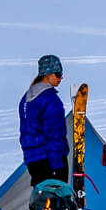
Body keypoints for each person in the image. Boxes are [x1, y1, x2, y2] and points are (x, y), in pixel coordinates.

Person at [19, 55, 67, 186]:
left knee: (41, 199)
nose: (61, 77)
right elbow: (53, 134)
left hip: (32, 159)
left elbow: (27, 131)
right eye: (58, 74)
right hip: (50, 160)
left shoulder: (26, 99)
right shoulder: (50, 99)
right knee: (57, 200)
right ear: (47, 74)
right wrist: (57, 166)